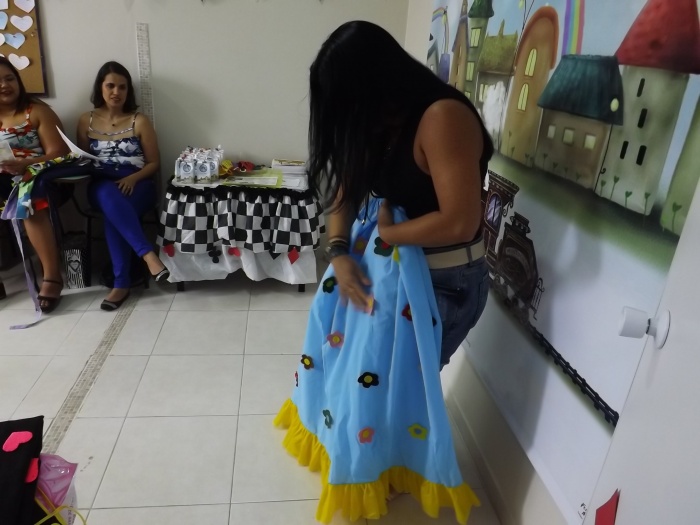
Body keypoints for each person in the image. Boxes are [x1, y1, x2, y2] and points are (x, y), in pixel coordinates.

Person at [275, 21, 493, 524]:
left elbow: (461, 219)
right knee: (362, 376)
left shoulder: (441, 118)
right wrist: (338, 252)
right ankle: (370, 455)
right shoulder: (380, 122)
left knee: (391, 389)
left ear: (374, 83)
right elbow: (345, 191)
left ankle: (382, 467)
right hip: (393, 271)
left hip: (443, 284)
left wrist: (390, 235)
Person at [76, 61, 169, 311]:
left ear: (128, 91)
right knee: (109, 196)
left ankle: (121, 284)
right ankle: (148, 255)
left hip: (138, 184)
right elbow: (82, 160)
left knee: (113, 212)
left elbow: (154, 163)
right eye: (110, 86)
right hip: (101, 184)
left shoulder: (139, 120)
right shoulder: (86, 120)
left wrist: (132, 178)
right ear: (100, 87)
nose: (116, 92)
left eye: (122, 87)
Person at [0, 57, 71, 312]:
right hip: (3, 181)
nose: (4, 85)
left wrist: (25, 164)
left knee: (26, 200)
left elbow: (60, 153)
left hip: (44, 179)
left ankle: (52, 276)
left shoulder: (37, 111)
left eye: (9, 78)